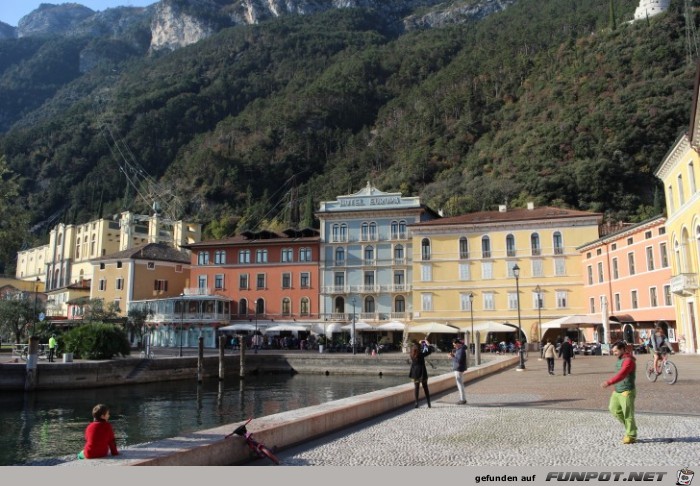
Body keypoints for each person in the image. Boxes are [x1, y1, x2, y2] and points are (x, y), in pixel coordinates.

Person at [600, 341, 637, 444]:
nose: (614, 353)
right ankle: (631, 428)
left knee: (627, 414)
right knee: (613, 409)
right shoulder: (620, 359)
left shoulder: (629, 360)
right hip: (617, 390)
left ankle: (631, 435)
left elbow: (622, 374)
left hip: (626, 390)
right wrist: (615, 388)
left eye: (616, 351)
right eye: (613, 351)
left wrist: (609, 382)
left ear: (622, 349)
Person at [409, 339, 432, 408]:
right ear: (419, 348)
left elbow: (415, 348)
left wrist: (418, 344)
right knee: (425, 387)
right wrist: (428, 344)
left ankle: (416, 403)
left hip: (415, 372)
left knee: (416, 388)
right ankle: (428, 403)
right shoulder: (421, 354)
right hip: (422, 372)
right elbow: (429, 350)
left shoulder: (411, 354)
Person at [449, 338, 468, 405]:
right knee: (460, 384)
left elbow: (459, 360)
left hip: (458, 369)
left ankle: (462, 399)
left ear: (457, 344)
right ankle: (463, 399)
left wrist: (452, 357)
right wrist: (453, 356)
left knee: (460, 385)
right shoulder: (460, 350)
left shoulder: (461, 350)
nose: (454, 346)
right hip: (459, 368)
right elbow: (458, 359)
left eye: (454, 345)